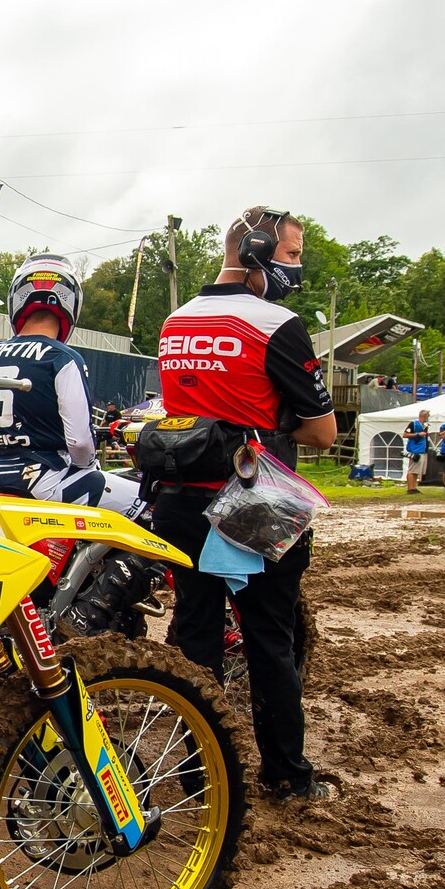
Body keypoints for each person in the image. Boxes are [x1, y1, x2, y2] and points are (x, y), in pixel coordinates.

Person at [148, 207, 337, 801]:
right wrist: (272, 420)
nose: (298, 267)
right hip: (254, 495)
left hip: (179, 495)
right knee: (269, 639)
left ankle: (194, 774)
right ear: (257, 251)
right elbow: (323, 433)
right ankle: (287, 776)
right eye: (292, 254)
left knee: (193, 631)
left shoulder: (174, 321)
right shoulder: (278, 322)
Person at [0, 253, 140, 513]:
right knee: (144, 502)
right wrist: (88, 466)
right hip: (45, 480)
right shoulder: (61, 357)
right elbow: (80, 444)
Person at [402, 408, 430, 493]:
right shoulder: (413, 424)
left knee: (417, 470)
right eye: (427, 416)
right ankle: (410, 488)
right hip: (415, 449)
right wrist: (418, 434)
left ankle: (414, 487)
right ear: (424, 416)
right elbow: (405, 434)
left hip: (422, 450)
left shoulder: (424, 425)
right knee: (412, 469)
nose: (428, 418)